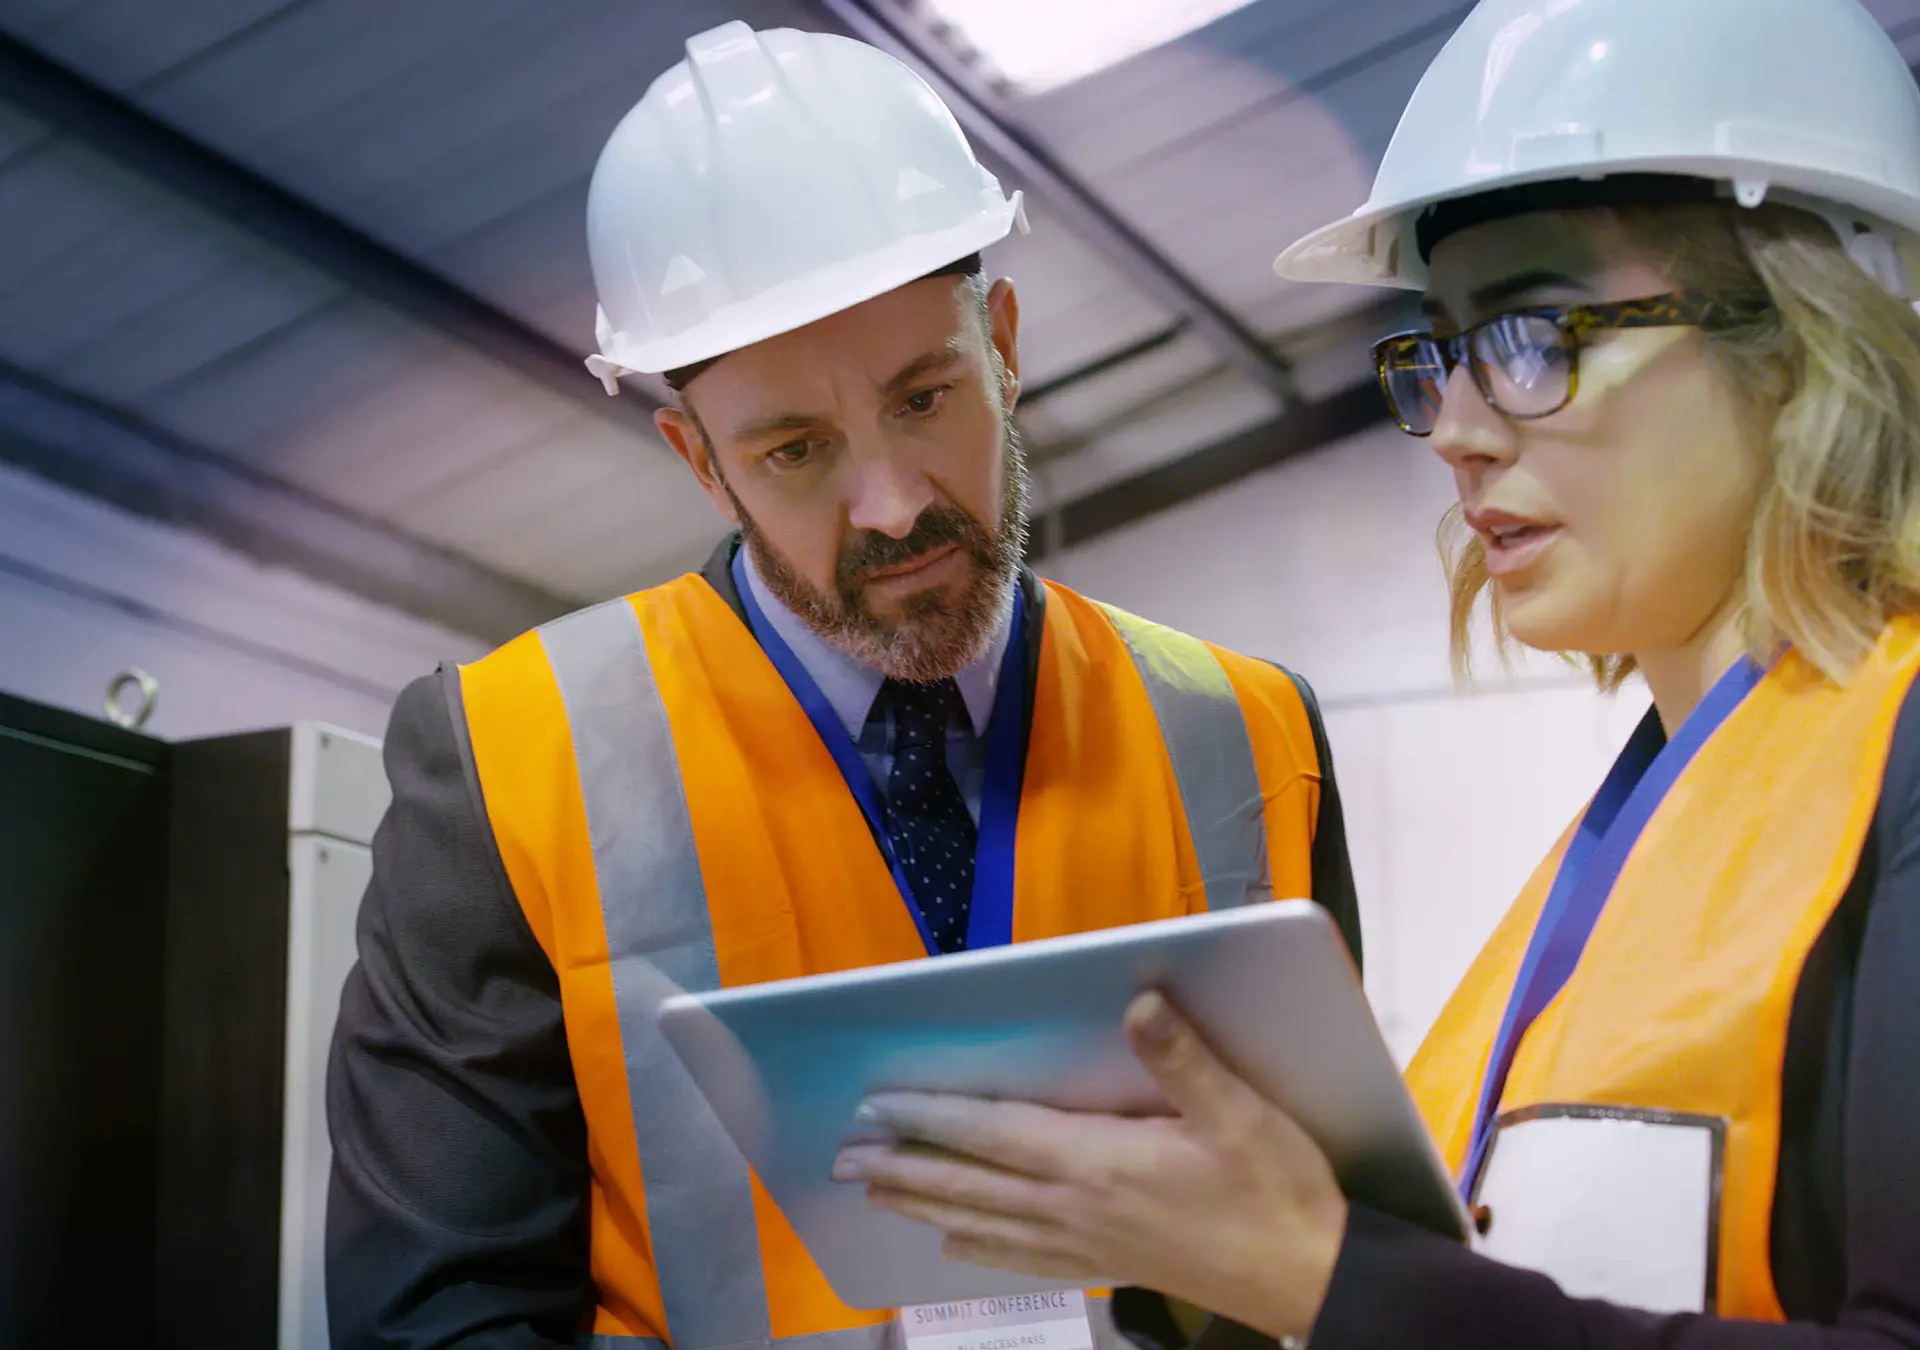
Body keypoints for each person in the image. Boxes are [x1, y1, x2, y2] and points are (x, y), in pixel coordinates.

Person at [828, 0, 1920, 1347]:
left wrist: (1319, 1269)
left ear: (1812, 329)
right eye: (1442, 352)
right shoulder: (1641, 828)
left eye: (1533, 336)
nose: (1453, 432)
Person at [323, 19, 1361, 1350]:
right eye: (798, 450)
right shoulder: (505, 761)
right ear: (699, 460)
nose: (892, 506)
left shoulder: (1250, 732)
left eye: (926, 400)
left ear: (1003, 341)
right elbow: (439, 1321)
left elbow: (1342, 1250)